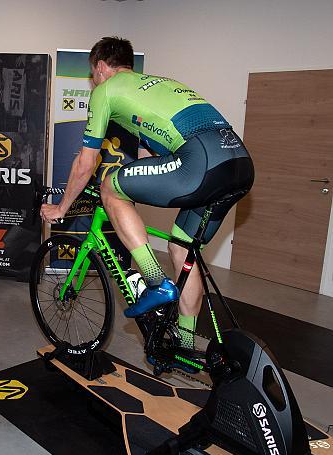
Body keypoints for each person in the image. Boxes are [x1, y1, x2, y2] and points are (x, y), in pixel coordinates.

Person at [41, 37, 254, 356]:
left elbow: (86, 163)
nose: (93, 81)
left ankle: (155, 280)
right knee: (183, 251)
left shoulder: (106, 91)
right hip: (238, 165)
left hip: (202, 162)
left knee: (110, 185)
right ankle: (184, 346)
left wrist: (61, 207)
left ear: (100, 67)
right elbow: (147, 159)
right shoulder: (159, 87)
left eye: (92, 74)